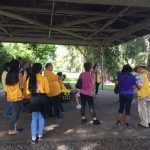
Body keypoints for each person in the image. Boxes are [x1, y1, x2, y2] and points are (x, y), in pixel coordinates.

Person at [27, 63, 49, 144]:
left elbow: (27, 91)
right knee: (42, 118)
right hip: (42, 98)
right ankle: (40, 135)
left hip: (33, 99)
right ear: (40, 69)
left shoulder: (30, 78)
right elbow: (47, 91)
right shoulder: (44, 78)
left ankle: (33, 138)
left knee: (34, 118)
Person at [6, 59, 24, 135]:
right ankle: (11, 130)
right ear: (17, 65)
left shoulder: (8, 74)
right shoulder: (18, 74)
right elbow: (22, 86)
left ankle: (15, 129)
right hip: (17, 96)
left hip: (11, 96)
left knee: (18, 111)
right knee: (15, 114)